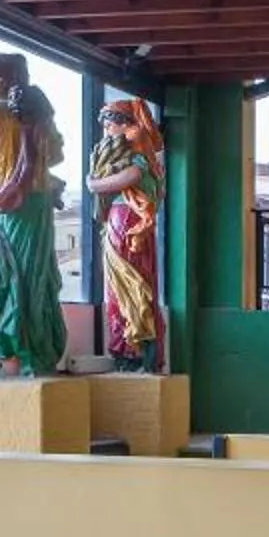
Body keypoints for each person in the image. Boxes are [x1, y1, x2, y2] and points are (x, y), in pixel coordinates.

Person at [0, 52, 68, 376]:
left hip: (8, 207)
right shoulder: (41, 118)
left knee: (4, 275)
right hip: (35, 206)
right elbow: (56, 155)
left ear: (4, 79)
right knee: (32, 275)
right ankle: (34, 354)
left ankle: (14, 357)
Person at [87, 98, 164, 371]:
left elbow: (124, 179)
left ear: (127, 126)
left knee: (132, 285)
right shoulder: (129, 160)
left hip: (129, 225)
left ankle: (138, 348)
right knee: (116, 290)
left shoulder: (139, 161)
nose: (107, 132)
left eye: (110, 126)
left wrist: (93, 183)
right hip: (119, 224)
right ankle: (126, 348)